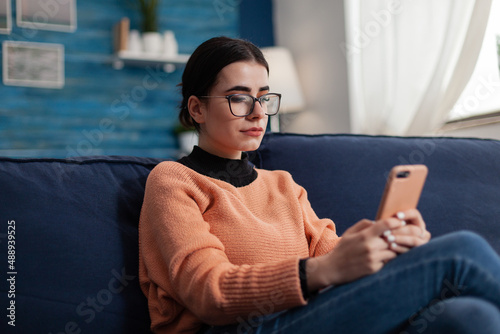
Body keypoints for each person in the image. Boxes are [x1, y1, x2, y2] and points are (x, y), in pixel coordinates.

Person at [138, 36, 500, 334]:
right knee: (461, 250)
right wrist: (324, 270)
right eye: (238, 98)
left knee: (469, 318)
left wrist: (387, 245)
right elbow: (209, 293)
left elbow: (334, 256)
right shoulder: (174, 181)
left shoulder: (283, 185)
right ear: (197, 109)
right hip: (244, 329)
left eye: (263, 97)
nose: (258, 112)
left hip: (311, 318)